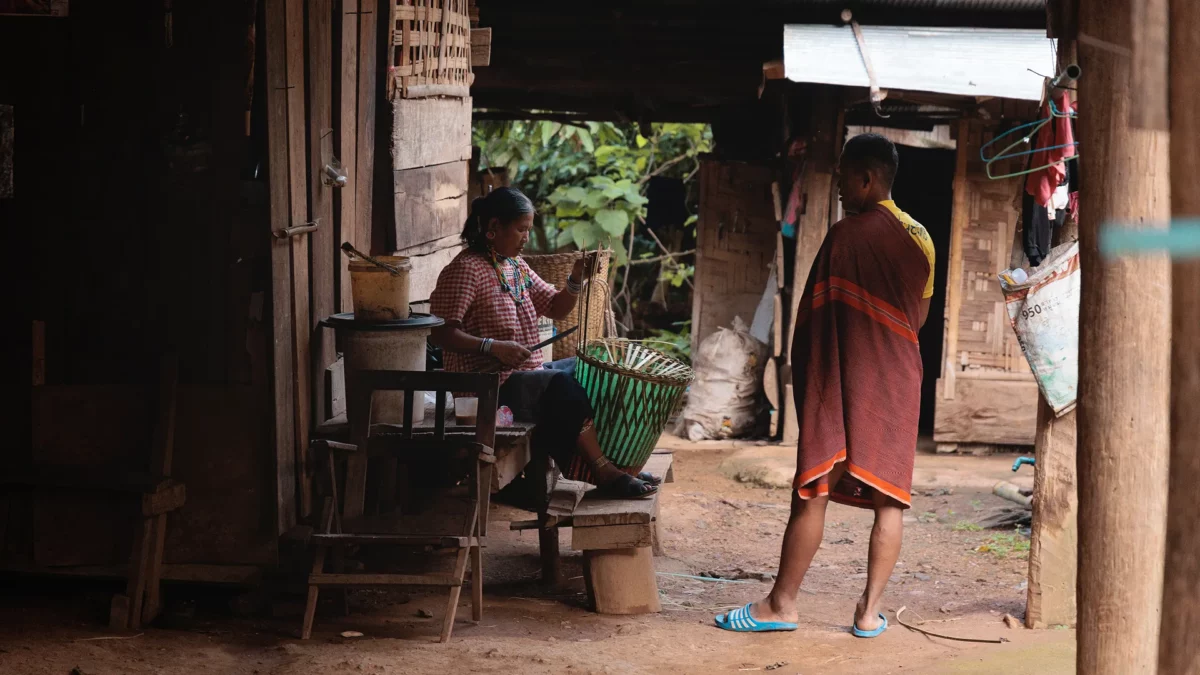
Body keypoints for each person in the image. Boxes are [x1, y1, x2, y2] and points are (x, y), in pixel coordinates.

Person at [716, 134, 935, 635]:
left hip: (841, 375)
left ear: (867, 178)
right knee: (890, 499)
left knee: (813, 491)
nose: (838, 189)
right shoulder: (920, 235)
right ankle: (868, 613)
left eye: (843, 179)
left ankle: (782, 605)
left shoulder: (844, 235)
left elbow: (819, 312)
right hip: (898, 380)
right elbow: (914, 318)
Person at [429, 187, 659, 499]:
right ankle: (603, 470)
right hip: (486, 389)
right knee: (562, 387)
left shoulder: (515, 266)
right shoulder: (465, 270)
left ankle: (612, 463)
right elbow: (441, 333)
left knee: (592, 370)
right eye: (521, 229)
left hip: (524, 373)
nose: (526, 237)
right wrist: (492, 347)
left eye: (529, 229)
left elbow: (555, 307)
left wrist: (577, 277)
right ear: (494, 228)